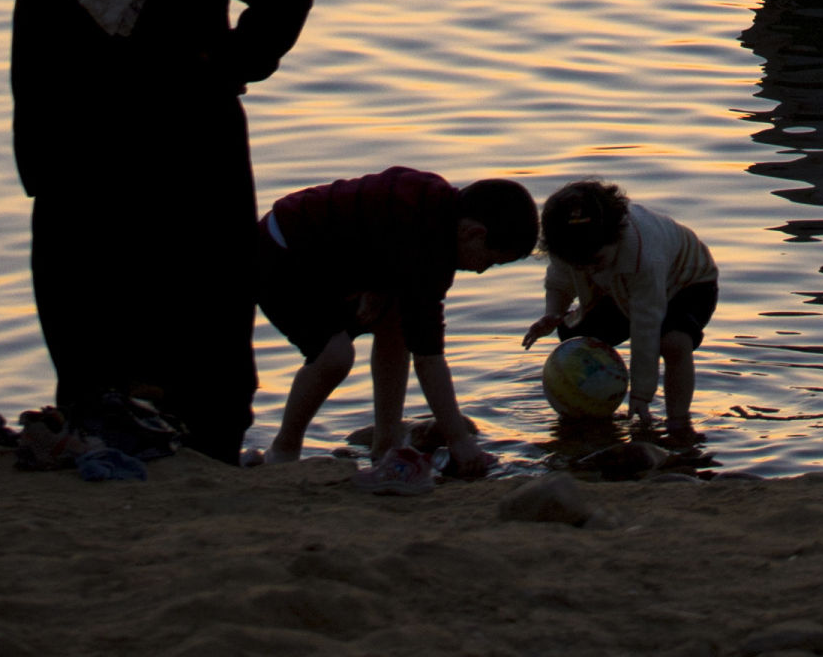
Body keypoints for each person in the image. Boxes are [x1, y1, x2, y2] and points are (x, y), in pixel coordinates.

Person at [10, 0, 313, 461]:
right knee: (201, 301)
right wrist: (233, 64)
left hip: (81, 162)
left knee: (95, 306)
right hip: (190, 154)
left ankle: (103, 427)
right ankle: (205, 441)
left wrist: (38, 164)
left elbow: (31, 55)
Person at [254, 167, 536, 477]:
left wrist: (379, 282)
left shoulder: (436, 210)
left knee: (398, 323)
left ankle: (385, 444)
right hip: (281, 254)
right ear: (474, 234)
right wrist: (459, 439)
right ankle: (284, 448)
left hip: (329, 258)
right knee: (335, 356)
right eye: (490, 260)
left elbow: (379, 230)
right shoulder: (427, 247)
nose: (482, 270)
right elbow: (428, 357)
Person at [527, 177, 720, 444]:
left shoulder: (644, 255)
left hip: (687, 283)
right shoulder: (570, 245)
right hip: (616, 286)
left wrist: (641, 394)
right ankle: (589, 411)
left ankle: (679, 422)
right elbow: (560, 281)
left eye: (595, 260)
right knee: (575, 339)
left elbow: (645, 328)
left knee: (673, 342)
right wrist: (553, 313)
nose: (588, 268)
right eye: (578, 264)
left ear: (617, 236)